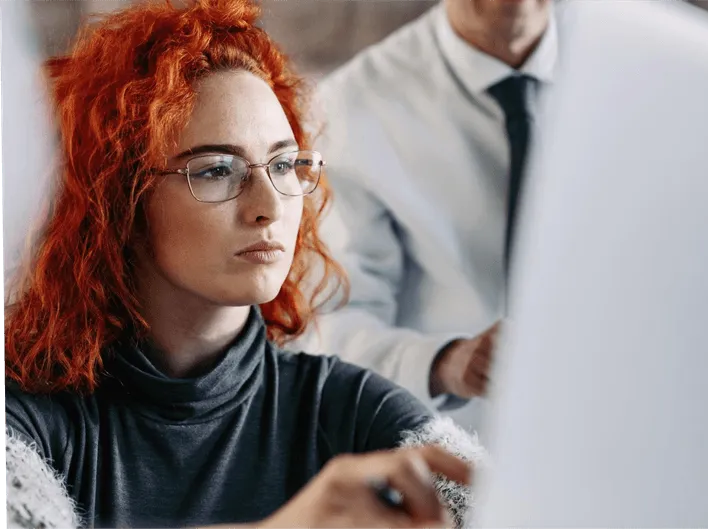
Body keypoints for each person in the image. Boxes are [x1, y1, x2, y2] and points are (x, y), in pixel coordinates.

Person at [2, 2, 484, 528]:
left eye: (282, 164)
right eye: (216, 170)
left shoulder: (348, 407)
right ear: (117, 200)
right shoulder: (24, 417)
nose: (270, 206)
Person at [291, 0, 558, 432]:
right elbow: (327, 326)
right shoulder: (349, 109)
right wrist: (449, 364)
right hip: (458, 456)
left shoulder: (642, 74)